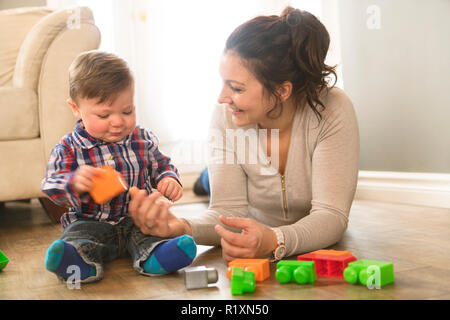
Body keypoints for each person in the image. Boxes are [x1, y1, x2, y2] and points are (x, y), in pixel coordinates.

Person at [128, 6, 359, 263]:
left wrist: (274, 240)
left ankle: (206, 178)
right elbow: (227, 213)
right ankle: (207, 178)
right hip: (249, 196)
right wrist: (182, 226)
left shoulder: (332, 110)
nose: (222, 97)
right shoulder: (225, 115)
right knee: (212, 181)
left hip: (284, 223)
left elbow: (331, 215)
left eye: (236, 88)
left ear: (282, 91)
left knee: (209, 178)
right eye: (223, 81)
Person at [41, 51, 196, 284]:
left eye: (127, 111)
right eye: (104, 114)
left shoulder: (142, 139)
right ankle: (78, 263)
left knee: (152, 233)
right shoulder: (68, 148)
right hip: (90, 221)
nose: (118, 121)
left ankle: (159, 257)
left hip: (137, 219)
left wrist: (168, 179)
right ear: (75, 108)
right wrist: (72, 182)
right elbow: (50, 186)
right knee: (78, 238)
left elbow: (162, 164)